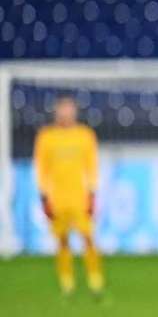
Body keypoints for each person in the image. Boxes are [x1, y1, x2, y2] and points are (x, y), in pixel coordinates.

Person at [34, 95, 105, 297]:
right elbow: (41, 168)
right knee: (62, 240)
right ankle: (67, 281)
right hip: (57, 197)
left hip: (79, 196)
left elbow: (92, 166)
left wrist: (92, 193)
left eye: (69, 109)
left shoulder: (85, 135)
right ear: (56, 112)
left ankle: (95, 279)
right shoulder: (46, 136)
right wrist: (44, 196)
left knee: (88, 237)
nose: (66, 113)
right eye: (62, 110)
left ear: (74, 112)